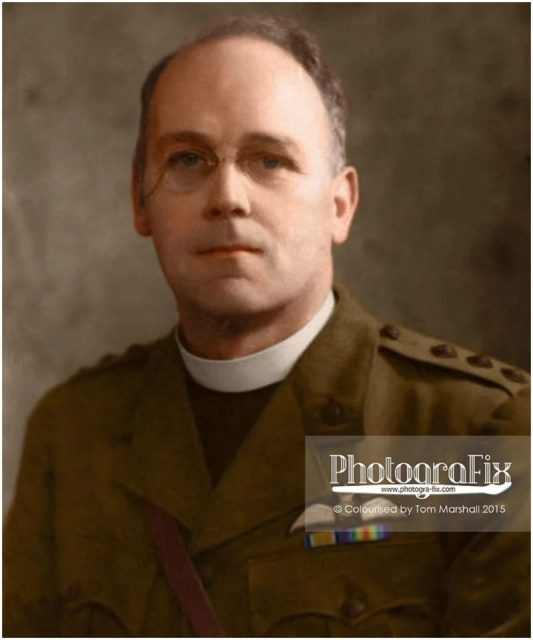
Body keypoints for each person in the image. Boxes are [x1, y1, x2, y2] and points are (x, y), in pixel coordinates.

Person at [4, 14, 530, 638]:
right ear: (140, 202)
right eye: (188, 158)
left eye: (270, 161)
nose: (227, 195)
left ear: (339, 205)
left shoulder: (475, 437)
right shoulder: (74, 435)